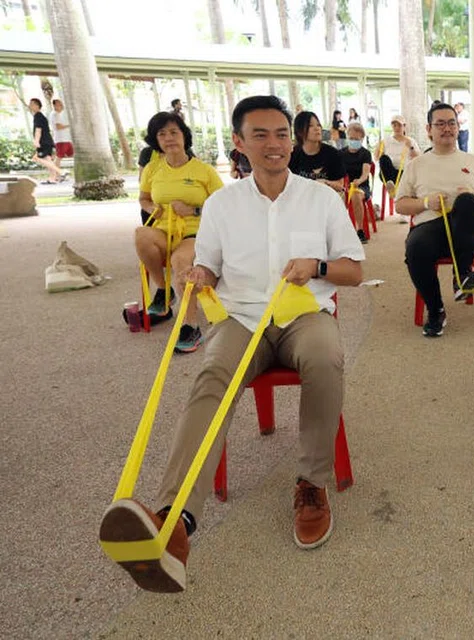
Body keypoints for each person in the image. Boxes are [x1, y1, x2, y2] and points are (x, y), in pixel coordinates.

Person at [99, 95, 365, 593]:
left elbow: (354, 270)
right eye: (260, 135)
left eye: (282, 134)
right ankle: (174, 521)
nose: (275, 144)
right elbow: (210, 266)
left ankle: (311, 483)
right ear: (239, 144)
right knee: (210, 377)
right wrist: (199, 273)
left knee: (327, 358)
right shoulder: (222, 203)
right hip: (242, 317)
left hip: (305, 313)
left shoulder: (321, 198)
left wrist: (318, 268)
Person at [395, 102, 474, 338]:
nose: (447, 128)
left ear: (458, 127)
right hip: (431, 227)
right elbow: (400, 204)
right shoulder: (416, 165)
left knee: (466, 201)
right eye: (440, 124)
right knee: (415, 248)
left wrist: (472, 196)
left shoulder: (472, 160)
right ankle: (436, 310)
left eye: (451, 123)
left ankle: (462, 273)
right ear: (429, 129)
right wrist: (425, 203)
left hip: (469, 227)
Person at [136, 112, 223, 353]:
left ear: (184, 135)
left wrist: (193, 209)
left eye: (174, 132)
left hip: (196, 233)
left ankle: (190, 325)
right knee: (141, 234)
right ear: (156, 140)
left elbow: (224, 206)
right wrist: (153, 208)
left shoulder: (204, 171)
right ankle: (163, 292)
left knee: (180, 260)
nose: (168, 138)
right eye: (161, 134)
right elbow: (143, 199)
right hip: (164, 231)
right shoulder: (152, 169)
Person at [289, 111, 345, 193]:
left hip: (326, 199)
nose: (317, 128)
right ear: (300, 131)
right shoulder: (293, 155)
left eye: (318, 125)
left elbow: (340, 186)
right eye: (310, 126)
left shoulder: (333, 153)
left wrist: (326, 183)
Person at [340, 122, 374, 244]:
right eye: (351, 138)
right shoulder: (341, 153)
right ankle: (339, 230)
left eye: (356, 139)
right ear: (347, 137)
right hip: (344, 186)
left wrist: (357, 182)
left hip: (361, 186)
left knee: (355, 195)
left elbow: (365, 175)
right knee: (336, 197)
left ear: (362, 139)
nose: (353, 141)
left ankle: (359, 230)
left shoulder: (365, 154)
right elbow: (337, 173)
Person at [375, 115, 420, 194]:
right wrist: (379, 150)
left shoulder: (411, 141)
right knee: (383, 159)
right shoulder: (385, 141)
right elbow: (376, 158)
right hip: (389, 173)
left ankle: (395, 190)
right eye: (394, 125)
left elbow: (418, 159)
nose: (397, 128)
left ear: (404, 126)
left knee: (407, 174)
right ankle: (392, 186)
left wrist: (411, 147)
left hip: (404, 172)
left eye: (399, 125)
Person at [27, 98, 65, 184]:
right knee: (48, 160)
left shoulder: (38, 116)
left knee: (37, 158)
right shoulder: (40, 116)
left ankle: (61, 172)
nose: (30, 106)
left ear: (37, 106)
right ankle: (52, 178)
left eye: (32, 104)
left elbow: (38, 130)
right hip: (47, 141)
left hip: (43, 142)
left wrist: (36, 141)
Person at [51, 99, 73, 170]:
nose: (62, 105)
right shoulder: (55, 114)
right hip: (61, 140)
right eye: (59, 104)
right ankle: (55, 174)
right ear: (54, 106)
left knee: (72, 155)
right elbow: (58, 127)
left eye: (61, 104)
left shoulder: (60, 114)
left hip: (66, 139)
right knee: (59, 157)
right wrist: (70, 125)